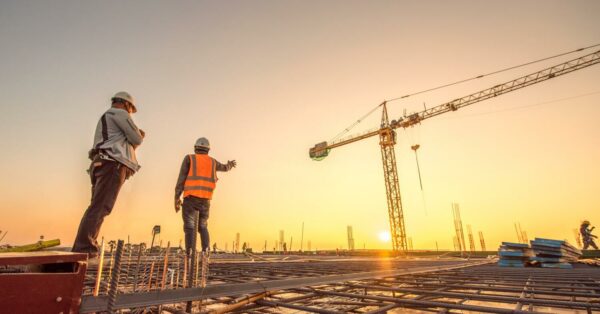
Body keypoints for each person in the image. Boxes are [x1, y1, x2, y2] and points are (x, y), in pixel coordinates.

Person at [72, 91, 145, 257]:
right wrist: (140, 134)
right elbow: (136, 139)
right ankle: (85, 248)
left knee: (97, 207)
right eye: (131, 110)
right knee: (100, 207)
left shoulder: (107, 117)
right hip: (112, 164)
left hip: (102, 163)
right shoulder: (120, 113)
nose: (130, 114)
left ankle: (86, 245)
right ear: (127, 105)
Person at [175, 137, 236, 255]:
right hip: (206, 200)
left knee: (189, 226)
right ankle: (206, 250)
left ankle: (190, 252)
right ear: (208, 150)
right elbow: (224, 167)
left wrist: (176, 198)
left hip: (190, 198)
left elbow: (181, 180)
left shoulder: (189, 159)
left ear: (195, 148)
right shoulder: (213, 162)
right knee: (202, 226)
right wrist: (230, 165)